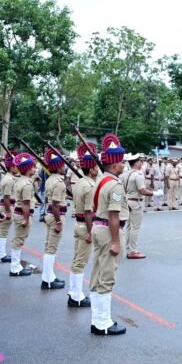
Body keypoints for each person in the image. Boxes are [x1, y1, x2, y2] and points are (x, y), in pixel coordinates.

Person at [89, 133, 129, 335]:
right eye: (121, 162)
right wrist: (116, 241)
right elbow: (114, 214)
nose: (123, 165)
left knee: (97, 274)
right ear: (114, 165)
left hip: (98, 227)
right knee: (107, 276)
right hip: (108, 230)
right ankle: (103, 323)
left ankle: (97, 319)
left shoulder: (101, 179)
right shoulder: (115, 185)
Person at [68, 143, 99, 308]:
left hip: (78, 224)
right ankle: (76, 296)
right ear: (92, 169)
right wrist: (90, 231)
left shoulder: (80, 182)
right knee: (80, 262)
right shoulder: (89, 186)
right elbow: (88, 211)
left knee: (76, 260)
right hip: (84, 225)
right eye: (96, 167)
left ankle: (73, 291)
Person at [41, 149, 67, 290]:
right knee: (51, 249)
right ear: (58, 167)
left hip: (50, 214)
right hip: (56, 215)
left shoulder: (50, 179)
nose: (64, 167)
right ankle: (48, 280)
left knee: (48, 247)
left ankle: (49, 275)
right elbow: (55, 204)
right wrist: (58, 222)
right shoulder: (59, 183)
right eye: (62, 165)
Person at [9, 153, 36, 277]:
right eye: (32, 167)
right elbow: (26, 204)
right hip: (22, 214)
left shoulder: (20, 180)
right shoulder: (26, 184)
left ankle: (16, 265)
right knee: (19, 240)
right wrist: (26, 219)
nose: (34, 169)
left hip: (18, 212)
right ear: (29, 169)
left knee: (18, 239)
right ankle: (15, 267)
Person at [119, 153, 151, 259]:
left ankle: (128, 249)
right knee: (135, 228)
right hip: (136, 202)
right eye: (140, 161)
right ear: (136, 163)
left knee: (129, 227)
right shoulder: (138, 175)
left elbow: (121, 190)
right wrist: (154, 193)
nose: (141, 163)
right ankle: (132, 251)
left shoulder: (125, 174)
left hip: (128, 201)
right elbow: (142, 190)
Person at [0, 153, 17, 264]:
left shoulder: (8, 178)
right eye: (16, 166)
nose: (18, 168)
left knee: (3, 231)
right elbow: (7, 197)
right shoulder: (9, 180)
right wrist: (8, 211)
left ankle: (0, 253)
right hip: (6, 206)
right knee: (3, 232)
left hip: (7, 206)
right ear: (11, 167)